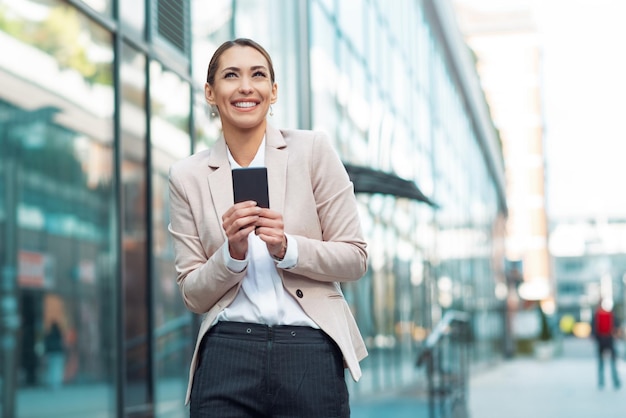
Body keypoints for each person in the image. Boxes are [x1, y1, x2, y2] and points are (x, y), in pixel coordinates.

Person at [168, 38, 368, 417]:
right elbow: (192, 294)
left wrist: (288, 248)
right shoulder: (186, 176)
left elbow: (355, 258)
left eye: (257, 75)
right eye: (231, 75)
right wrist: (231, 255)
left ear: (273, 91)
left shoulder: (312, 152)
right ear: (211, 92)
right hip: (227, 352)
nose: (246, 86)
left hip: (308, 350)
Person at [592, 300, 621, 389]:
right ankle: (606, 382)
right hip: (604, 339)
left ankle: (611, 381)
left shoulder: (607, 315)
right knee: (605, 361)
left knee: (609, 361)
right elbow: (594, 327)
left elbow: (616, 326)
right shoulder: (600, 315)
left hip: (607, 339)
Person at [44, 321, 65, 389]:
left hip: (51, 353)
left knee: (51, 368)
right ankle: (57, 383)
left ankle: (52, 383)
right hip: (58, 352)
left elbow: (46, 344)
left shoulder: (49, 335)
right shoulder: (59, 335)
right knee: (57, 368)